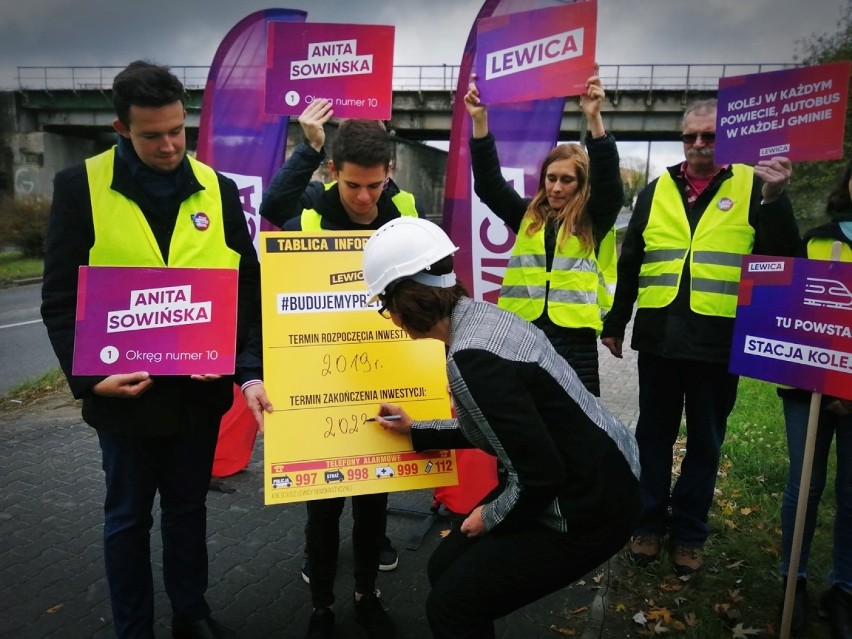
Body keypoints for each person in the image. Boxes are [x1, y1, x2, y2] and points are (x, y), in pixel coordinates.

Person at [40, 60, 266, 639]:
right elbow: (60, 299)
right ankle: (133, 628)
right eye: (151, 135)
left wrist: (240, 366)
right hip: (123, 395)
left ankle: (192, 614)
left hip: (197, 394)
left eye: (176, 130)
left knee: (188, 513)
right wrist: (87, 379)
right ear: (121, 128)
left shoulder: (217, 188)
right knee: (127, 519)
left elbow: (247, 285)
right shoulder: (79, 187)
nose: (168, 145)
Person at [362, 216, 641, 639]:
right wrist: (415, 430)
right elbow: (494, 430)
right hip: (579, 474)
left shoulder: (474, 359)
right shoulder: (478, 319)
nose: (391, 318)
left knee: (452, 606)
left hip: (591, 505)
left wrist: (490, 516)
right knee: (443, 568)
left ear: (407, 298)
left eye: (386, 305)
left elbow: (541, 475)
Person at [600, 98, 799, 575]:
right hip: (659, 338)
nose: (698, 145)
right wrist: (615, 322)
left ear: (726, 138)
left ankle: (689, 532)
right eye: (690, 136)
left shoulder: (757, 185)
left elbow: (784, 261)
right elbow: (631, 265)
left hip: (717, 340)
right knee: (653, 436)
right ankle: (648, 523)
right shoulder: (656, 190)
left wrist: (776, 200)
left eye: (709, 136)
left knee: (705, 444)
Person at [259, 100, 412, 639]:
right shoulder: (311, 206)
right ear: (334, 174)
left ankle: (367, 595)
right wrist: (308, 146)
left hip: (380, 382)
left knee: (374, 504)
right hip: (321, 384)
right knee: (323, 509)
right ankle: (321, 606)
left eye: (375, 185)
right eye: (353, 186)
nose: (366, 198)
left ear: (389, 172)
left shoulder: (406, 209)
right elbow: (272, 205)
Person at [462, 69, 623, 396]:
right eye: (551, 178)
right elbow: (490, 185)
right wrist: (480, 123)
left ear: (581, 184)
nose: (557, 187)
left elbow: (610, 188)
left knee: (576, 426)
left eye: (567, 180)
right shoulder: (526, 214)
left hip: (575, 342)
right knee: (529, 418)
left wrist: (595, 119)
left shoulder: (592, 219)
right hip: (525, 332)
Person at [776, 162, 852, 637]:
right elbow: (788, 306)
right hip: (810, 385)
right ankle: (792, 583)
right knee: (803, 487)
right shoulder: (817, 238)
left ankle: (842, 589)